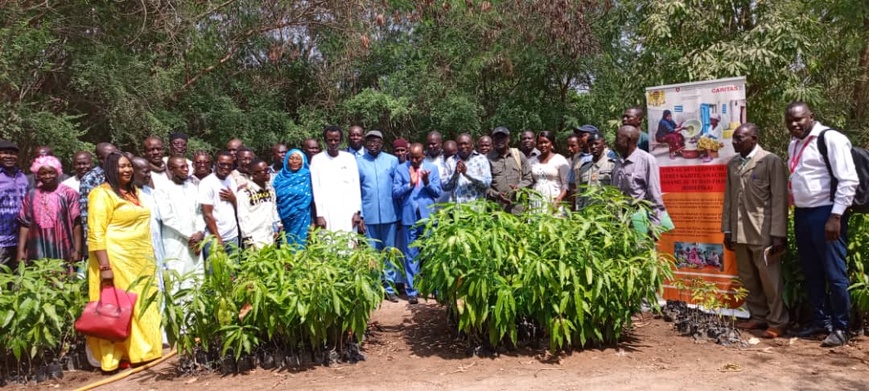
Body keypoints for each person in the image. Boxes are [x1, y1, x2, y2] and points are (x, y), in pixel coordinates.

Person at [786, 102, 859, 347]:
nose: (794, 125)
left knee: (835, 273)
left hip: (827, 214)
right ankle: (821, 321)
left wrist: (836, 216)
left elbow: (848, 179)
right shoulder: (794, 143)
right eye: (790, 121)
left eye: (799, 119)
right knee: (812, 271)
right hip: (803, 214)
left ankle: (841, 327)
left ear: (811, 117)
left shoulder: (831, 138)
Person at [85, 151, 162, 371]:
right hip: (116, 258)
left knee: (143, 301)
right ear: (110, 169)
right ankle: (118, 356)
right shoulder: (101, 194)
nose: (127, 170)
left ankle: (144, 350)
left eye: (129, 166)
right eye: (121, 166)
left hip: (140, 258)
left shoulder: (133, 192)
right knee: (119, 305)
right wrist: (105, 267)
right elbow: (96, 232)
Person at [722, 123, 789, 339]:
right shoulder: (732, 164)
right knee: (748, 277)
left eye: (739, 138)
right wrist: (728, 230)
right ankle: (758, 316)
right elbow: (729, 200)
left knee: (770, 279)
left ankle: (778, 321)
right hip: (740, 231)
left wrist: (779, 233)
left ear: (754, 138)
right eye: (734, 138)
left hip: (763, 232)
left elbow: (780, 199)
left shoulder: (770, 161)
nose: (734, 142)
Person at [393, 143, 441, 305]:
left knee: (430, 253)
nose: (414, 160)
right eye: (411, 157)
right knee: (411, 255)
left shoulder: (432, 169)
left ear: (424, 155)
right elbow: (395, 192)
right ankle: (412, 291)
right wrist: (410, 185)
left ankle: (434, 289)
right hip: (408, 217)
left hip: (427, 217)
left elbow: (437, 192)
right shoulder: (401, 169)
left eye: (417, 158)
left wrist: (426, 182)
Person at [357, 130, 401, 301]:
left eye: (376, 141)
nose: (372, 144)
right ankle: (375, 287)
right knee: (372, 253)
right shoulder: (359, 162)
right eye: (369, 142)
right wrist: (360, 215)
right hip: (369, 215)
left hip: (390, 214)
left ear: (382, 143)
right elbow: (357, 190)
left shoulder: (392, 160)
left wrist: (399, 215)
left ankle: (389, 287)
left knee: (389, 252)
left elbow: (397, 188)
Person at [16, 155, 81, 265]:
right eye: (43, 173)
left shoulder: (69, 193)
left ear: (58, 173)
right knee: (38, 277)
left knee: (62, 278)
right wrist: (20, 250)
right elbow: (24, 224)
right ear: (37, 175)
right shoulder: (31, 195)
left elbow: (77, 223)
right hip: (36, 248)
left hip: (63, 247)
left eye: (51, 172)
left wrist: (77, 250)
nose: (47, 176)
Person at [156, 156, 205, 288]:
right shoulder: (162, 189)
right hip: (175, 240)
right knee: (178, 277)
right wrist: (190, 236)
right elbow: (167, 217)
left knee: (197, 275)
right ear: (171, 169)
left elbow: (200, 212)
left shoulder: (192, 188)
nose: (186, 170)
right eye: (182, 167)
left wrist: (200, 232)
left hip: (196, 241)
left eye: (187, 166)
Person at [310, 125, 363, 233]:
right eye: (330, 140)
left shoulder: (349, 158)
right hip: (326, 212)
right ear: (325, 141)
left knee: (349, 243)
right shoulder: (317, 160)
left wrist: (357, 212)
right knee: (328, 243)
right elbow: (316, 189)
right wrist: (319, 215)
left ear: (340, 141)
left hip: (348, 211)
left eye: (336, 140)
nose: (333, 143)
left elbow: (355, 187)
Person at [612, 125, 666, 226]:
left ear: (628, 140)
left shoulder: (647, 160)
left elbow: (655, 195)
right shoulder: (618, 162)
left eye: (617, 139)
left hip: (639, 221)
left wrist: (655, 225)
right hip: (618, 222)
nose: (614, 143)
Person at [199, 151, 239, 259]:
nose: (226, 167)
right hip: (214, 239)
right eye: (222, 164)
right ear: (216, 164)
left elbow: (237, 209)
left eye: (229, 165)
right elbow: (207, 214)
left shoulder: (231, 182)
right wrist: (218, 238)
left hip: (232, 236)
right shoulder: (207, 183)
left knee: (234, 274)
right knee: (216, 275)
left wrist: (233, 199)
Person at [79, 143, 118, 253]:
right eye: (111, 156)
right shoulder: (90, 179)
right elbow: (86, 213)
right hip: (101, 235)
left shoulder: (120, 174)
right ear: (101, 159)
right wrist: (91, 243)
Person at [486, 126, 533, 214]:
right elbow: (484, 185)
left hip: (518, 207)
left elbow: (528, 177)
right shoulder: (487, 159)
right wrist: (496, 194)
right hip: (497, 209)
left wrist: (519, 187)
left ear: (508, 139)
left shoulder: (518, 155)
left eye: (502, 137)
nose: (499, 140)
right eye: (496, 138)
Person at [131, 157, 165, 273]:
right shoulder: (127, 196)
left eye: (149, 171)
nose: (149, 175)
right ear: (133, 172)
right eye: (145, 172)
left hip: (157, 242)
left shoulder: (152, 193)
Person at [237, 159, 280, 249]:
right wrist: (249, 240)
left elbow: (273, 209)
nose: (268, 173)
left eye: (268, 169)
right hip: (255, 238)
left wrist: (278, 225)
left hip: (270, 235)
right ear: (254, 174)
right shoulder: (245, 192)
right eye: (264, 171)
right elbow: (243, 217)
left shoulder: (271, 189)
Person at [274, 149, 313, 249]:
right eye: (291, 158)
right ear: (287, 160)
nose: (294, 161)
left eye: (298, 159)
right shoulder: (280, 176)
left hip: (302, 216)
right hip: (283, 216)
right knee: (285, 245)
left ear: (302, 161)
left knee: (300, 244)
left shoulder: (307, 175)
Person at [0, 141, 28, 270]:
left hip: (21, 240)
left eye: (13, 154)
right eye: (5, 153)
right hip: (2, 240)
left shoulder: (22, 176)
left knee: (18, 279)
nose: (9, 156)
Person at [571, 132, 617, 210]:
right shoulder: (584, 168)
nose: (593, 147)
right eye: (590, 145)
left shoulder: (612, 166)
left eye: (596, 144)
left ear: (604, 144)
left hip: (605, 212)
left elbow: (616, 193)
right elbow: (580, 194)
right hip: (587, 212)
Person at [443, 133, 492, 204]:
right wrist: (455, 174)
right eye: (460, 144)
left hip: (475, 209)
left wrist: (467, 174)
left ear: (472, 144)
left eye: (466, 144)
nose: (463, 146)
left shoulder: (481, 159)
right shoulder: (450, 161)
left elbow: (487, 184)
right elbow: (445, 186)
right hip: (455, 210)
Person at [528, 131, 569, 214]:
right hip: (537, 200)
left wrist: (558, 200)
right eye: (540, 143)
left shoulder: (560, 160)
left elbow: (566, 184)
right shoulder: (532, 161)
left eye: (546, 142)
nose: (543, 145)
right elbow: (530, 181)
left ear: (552, 143)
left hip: (554, 200)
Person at [424, 132, 450, 205]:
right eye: (428, 144)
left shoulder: (447, 158)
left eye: (433, 144)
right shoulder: (422, 158)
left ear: (440, 143)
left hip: (446, 204)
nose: (430, 146)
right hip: (428, 204)